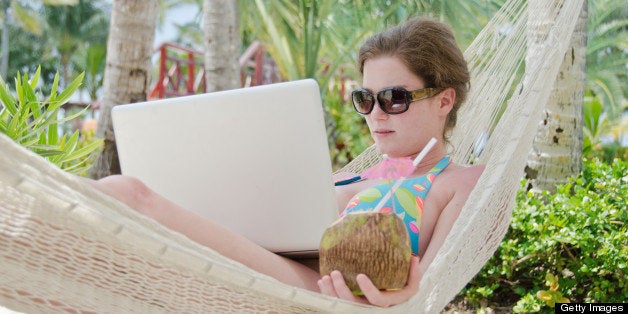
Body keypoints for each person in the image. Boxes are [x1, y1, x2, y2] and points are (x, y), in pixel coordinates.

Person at [88, 17, 483, 308]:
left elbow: (433, 288)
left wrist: (409, 296)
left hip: (320, 299)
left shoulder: (462, 182)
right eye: (365, 99)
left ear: (444, 101)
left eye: (394, 98)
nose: (375, 115)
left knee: (128, 194)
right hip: (254, 269)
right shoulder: (348, 175)